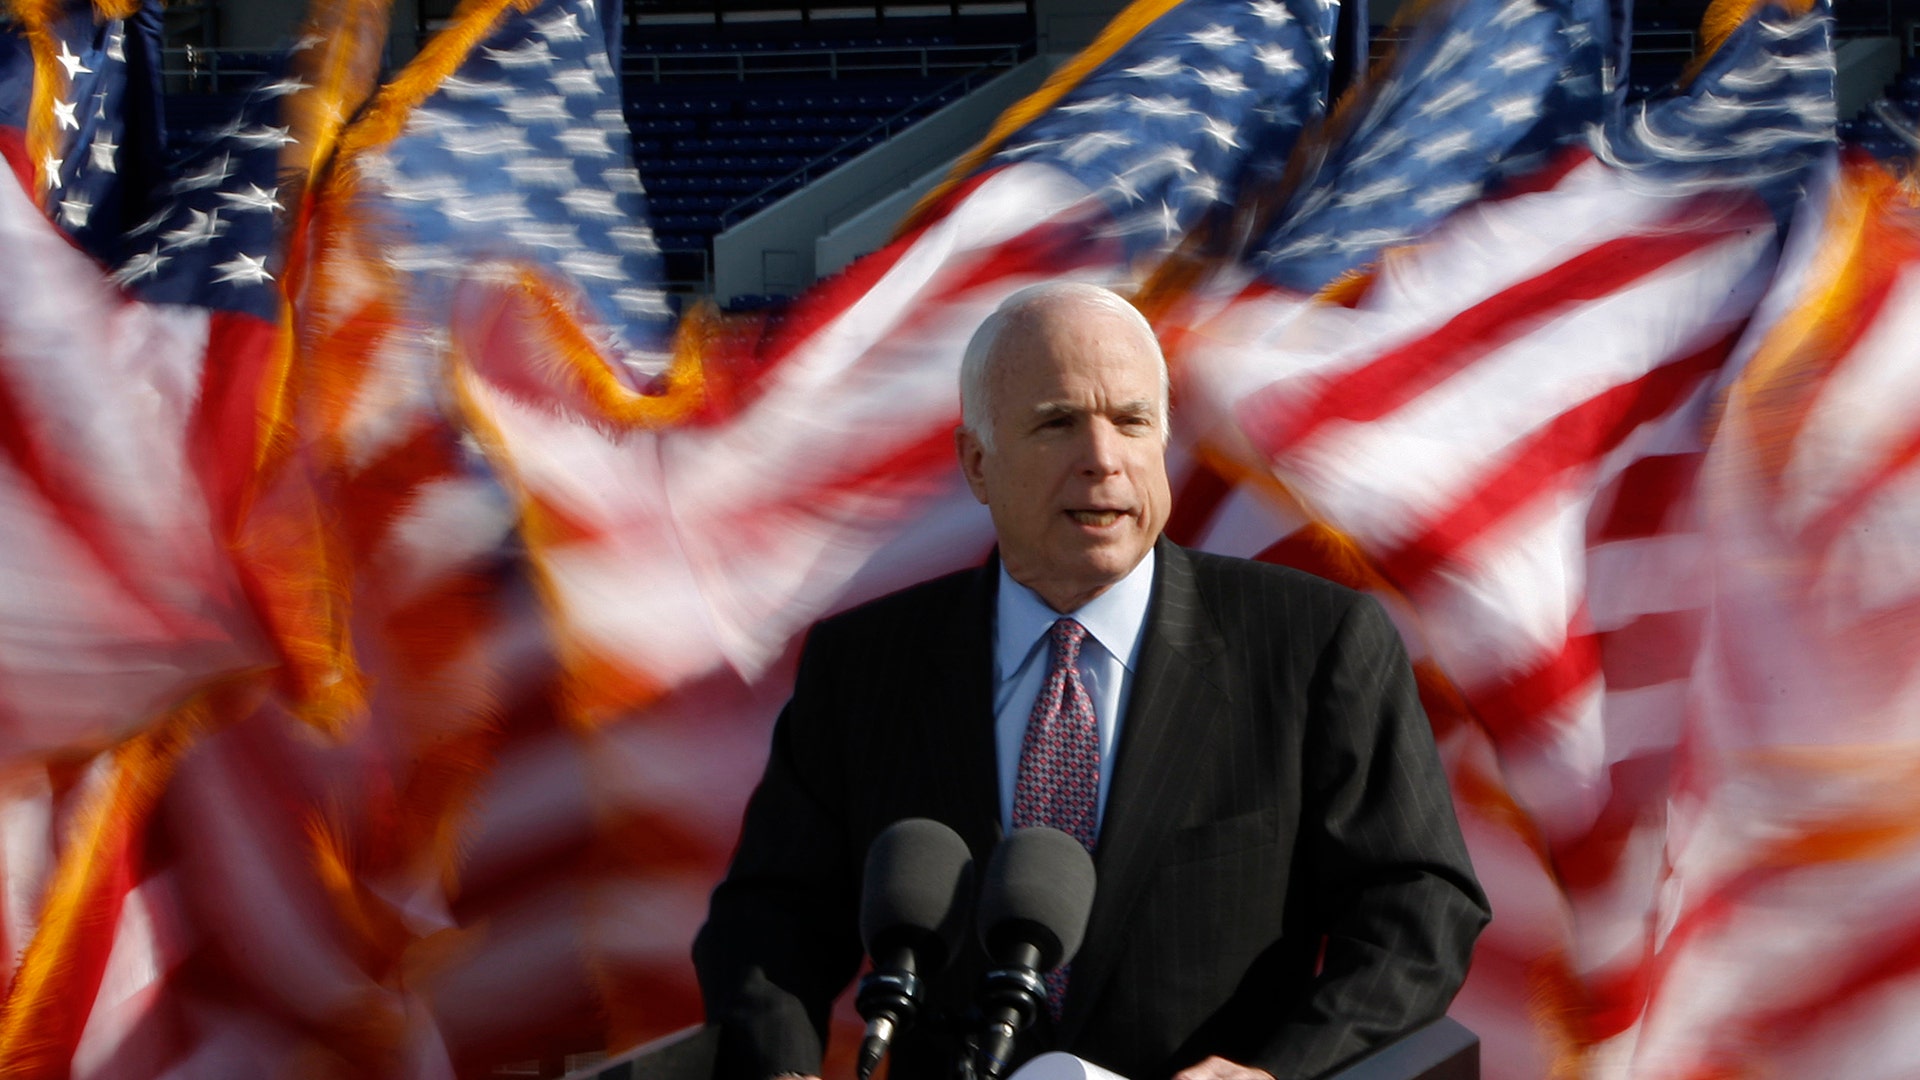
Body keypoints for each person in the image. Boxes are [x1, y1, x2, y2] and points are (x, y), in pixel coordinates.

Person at [694, 283, 1489, 1080]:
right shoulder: (865, 667)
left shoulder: (1314, 645)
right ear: (978, 462)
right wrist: (778, 1069)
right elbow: (771, 921)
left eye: (1133, 421)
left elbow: (1419, 906)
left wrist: (1281, 1072)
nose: (1104, 458)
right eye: (1058, 422)